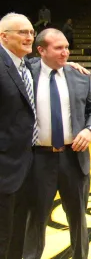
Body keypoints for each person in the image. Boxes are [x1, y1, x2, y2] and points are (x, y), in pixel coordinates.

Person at [23, 29, 91, 259]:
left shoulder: (80, 75)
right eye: (58, 48)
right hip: (38, 159)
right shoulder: (26, 72)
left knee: (78, 218)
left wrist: (89, 129)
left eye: (67, 47)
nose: (65, 52)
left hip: (73, 159)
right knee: (35, 219)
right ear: (41, 50)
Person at [0, 13, 37, 258]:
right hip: (3, 168)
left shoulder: (25, 66)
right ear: (3, 36)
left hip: (25, 167)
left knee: (16, 236)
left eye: (31, 32)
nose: (29, 36)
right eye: (22, 32)